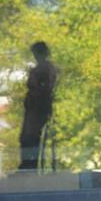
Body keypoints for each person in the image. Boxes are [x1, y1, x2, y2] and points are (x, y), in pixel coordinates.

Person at [18, 41, 58, 171]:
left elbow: (45, 88)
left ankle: (29, 166)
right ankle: (28, 165)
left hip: (38, 108)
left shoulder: (45, 69)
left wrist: (36, 89)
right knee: (26, 138)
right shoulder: (44, 68)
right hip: (35, 107)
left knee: (30, 137)